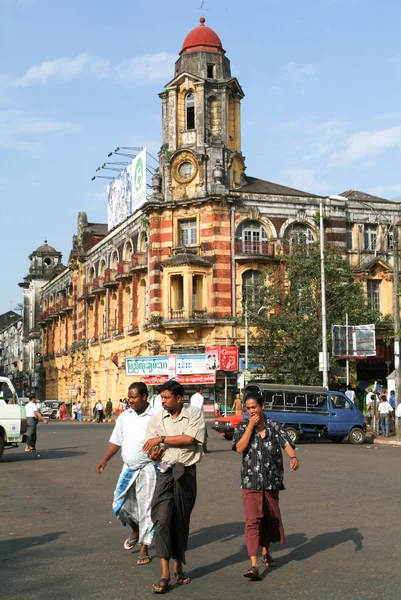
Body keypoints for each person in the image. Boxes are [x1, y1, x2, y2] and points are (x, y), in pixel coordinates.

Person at [143, 380, 205, 593]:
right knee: (161, 519)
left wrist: (161, 439)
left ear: (179, 398)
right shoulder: (157, 418)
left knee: (180, 520)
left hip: (186, 472)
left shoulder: (194, 414)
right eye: (161, 398)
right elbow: (150, 450)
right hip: (165, 472)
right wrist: (154, 454)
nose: (163, 402)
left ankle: (178, 565)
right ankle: (164, 572)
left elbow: (189, 439)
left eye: (167, 398)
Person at [232, 391, 299, 580]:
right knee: (252, 520)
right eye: (248, 408)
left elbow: (286, 442)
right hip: (250, 482)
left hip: (271, 481)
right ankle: (253, 564)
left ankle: (265, 552)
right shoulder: (243, 426)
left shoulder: (274, 426)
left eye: (255, 407)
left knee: (268, 519)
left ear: (262, 407)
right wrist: (250, 428)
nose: (251, 411)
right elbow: (239, 448)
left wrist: (292, 457)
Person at [96, 382, 156, 566]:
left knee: (146, 509)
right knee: (119, 504)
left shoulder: (156, 416)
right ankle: (135, 529)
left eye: (133, 397)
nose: (129, 401)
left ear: (144, 396)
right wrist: (105, 459)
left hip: (148, 469)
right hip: (128, 468)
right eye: (129, 397)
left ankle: (144, 547)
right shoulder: (125, 417)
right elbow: (117, 441)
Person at [190, 387, 208, 452]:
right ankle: (203, 448)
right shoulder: (200, 397)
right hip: (199, 416)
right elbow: (199, 407)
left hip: (193, 416)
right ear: (200, 390)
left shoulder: (193, 396)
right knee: (203, 432)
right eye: (202, 390)